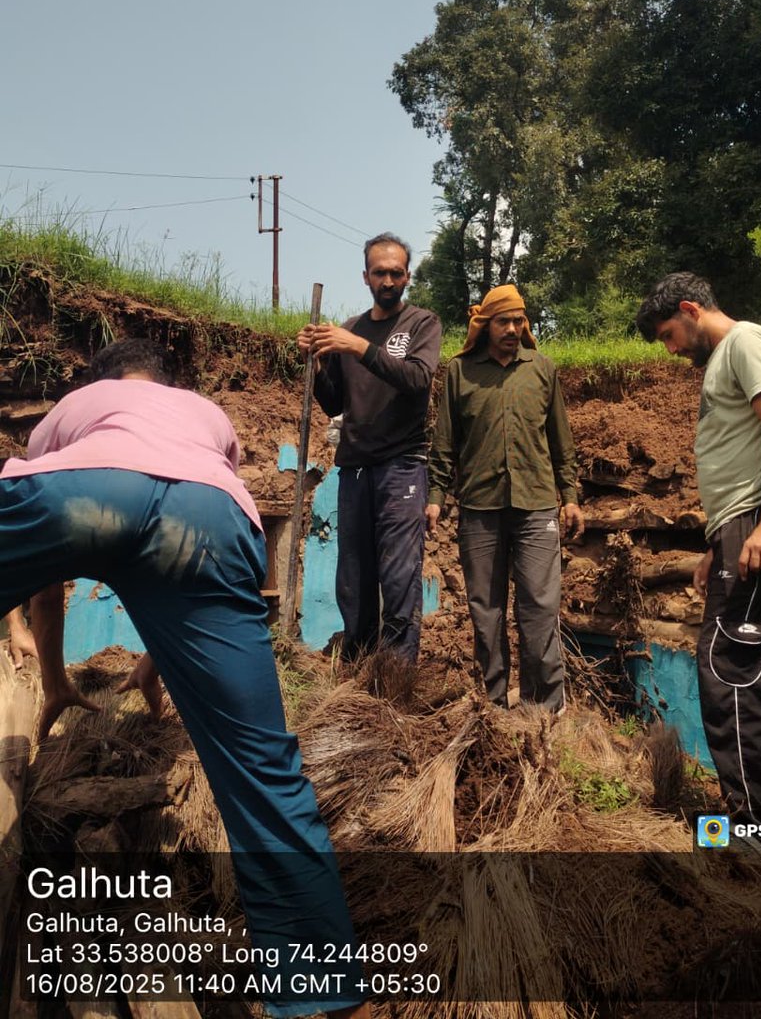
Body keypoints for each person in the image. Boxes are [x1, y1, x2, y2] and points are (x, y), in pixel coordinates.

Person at [0, 338, 370, 1019]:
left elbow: (52, 577)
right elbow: (169, 540)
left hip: (85, 491)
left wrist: (53, 680)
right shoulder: (206, 417)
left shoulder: (78, 408)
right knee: (263, 771)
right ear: (166, 382)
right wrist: (158, 659)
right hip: (209, 519)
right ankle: (328, 990)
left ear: (102, 380)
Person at [636, 272, 761, 826]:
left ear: (691, 308)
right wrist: (718, 543)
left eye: (669, 334)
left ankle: (753, 833)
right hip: (742, 525)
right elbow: (741, 452)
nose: (672, 348)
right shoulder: (726, 360)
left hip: (759, 520)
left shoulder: (745, 342)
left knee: (731, 671)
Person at [426, 285, 583, 712]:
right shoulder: (461, 372)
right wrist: (436, 495)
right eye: (504, 322)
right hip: (480, 508)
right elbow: (445, 442)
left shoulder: (542, 369)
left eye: (519, 321)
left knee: (539, 607)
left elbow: (561, 442)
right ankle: (493, 705)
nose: (513, 329)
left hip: (536, 507)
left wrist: (569, 496)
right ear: (485, 325)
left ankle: (543, 709)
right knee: (486, 611)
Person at [297, 234, 441, 662]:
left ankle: (396, 679)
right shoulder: (350, 330)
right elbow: (335, 403)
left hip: (402, 467)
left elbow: (417, 379)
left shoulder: (421, 324)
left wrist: (357, 347)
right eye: (380, 272)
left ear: (408, 276)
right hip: (356, 467)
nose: (389, 279)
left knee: (398, 578)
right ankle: (357, 675)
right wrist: (320, 362)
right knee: (353, 579)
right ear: (366, 276)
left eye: (397, 272)